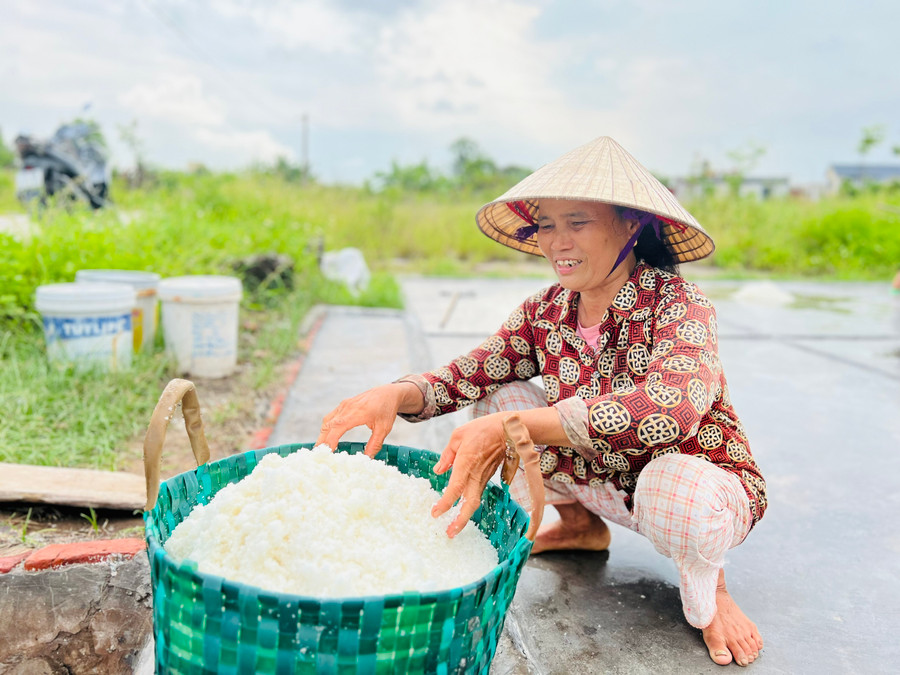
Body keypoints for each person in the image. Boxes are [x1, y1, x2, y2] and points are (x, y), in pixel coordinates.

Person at [317, 136, 767, 668]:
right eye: (548, 225)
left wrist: (522, 421)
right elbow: (475, 370)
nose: (558, 241)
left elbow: (670, 409)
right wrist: (396, 393)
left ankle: (709, 587)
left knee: (667, 485)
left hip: (694, 488)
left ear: (631, 226)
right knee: (500, 400)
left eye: (578, 223)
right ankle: (581, 526)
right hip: (603, 479)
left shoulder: (679, 304)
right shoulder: (548, 310)